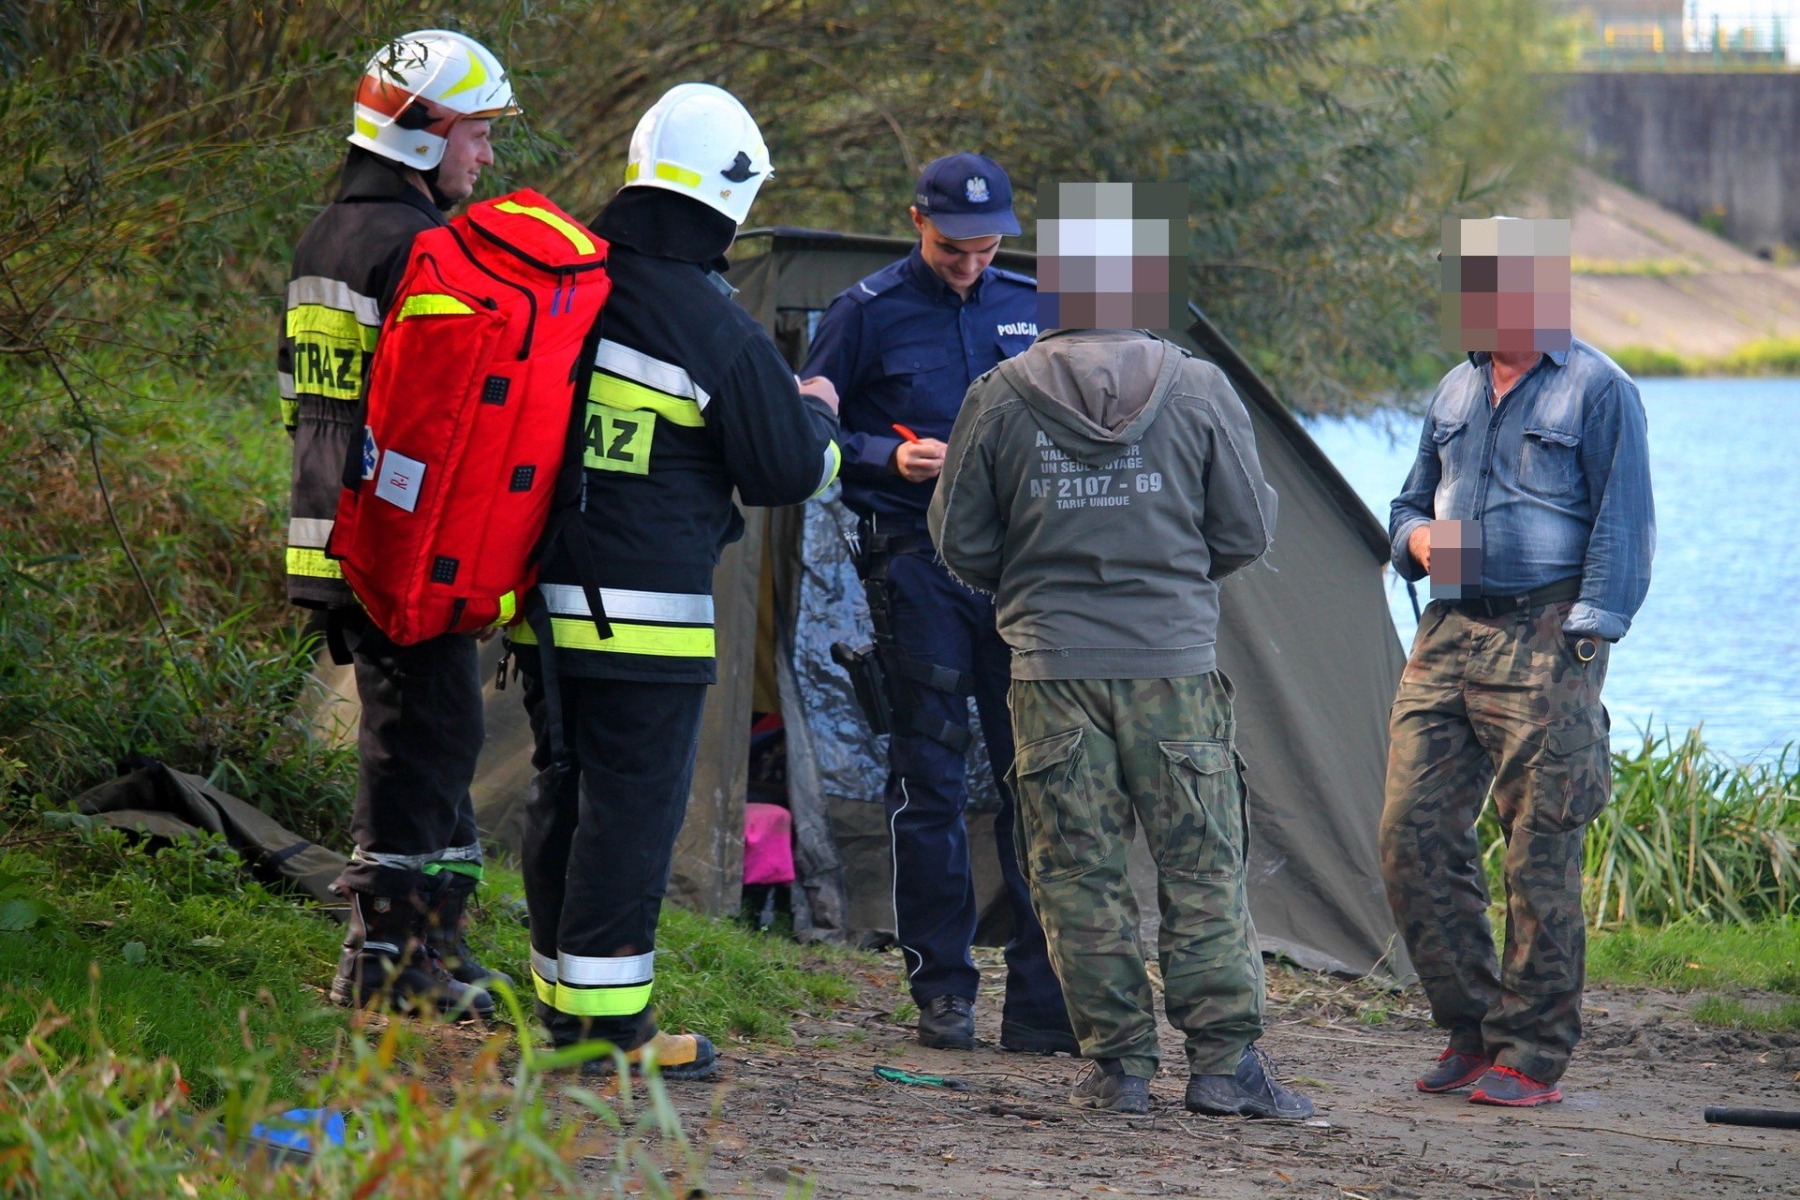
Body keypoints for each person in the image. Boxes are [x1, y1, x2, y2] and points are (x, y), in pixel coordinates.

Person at [928, 210, 1315, 1114]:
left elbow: (959, 541)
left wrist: (1041, 578)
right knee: (1203, 865)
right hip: (1173, 666)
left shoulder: (999, 392)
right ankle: (1224, 1069)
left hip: (1049, 669)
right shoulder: (1201, 389)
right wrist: (1169, 581)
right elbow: (1247, 532)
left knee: (1075, 870)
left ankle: (1118, 1069)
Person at [510, 83, 841, 1080]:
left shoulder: (573, 281)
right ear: (731, 193)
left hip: (541, 598)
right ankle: (610, 1035)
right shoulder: (712, 322)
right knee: (633, 811)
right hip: (647, 617)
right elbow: (787, 469)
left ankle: (562, 1015)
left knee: (561, 794)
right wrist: (816, 412)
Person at [1382, 216, 1655, 1107]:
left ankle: (1531, 1052)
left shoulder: (1598, 388)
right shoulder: (1453, 389)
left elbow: (1625, 527)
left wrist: (1585, 642)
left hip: (1548, 636)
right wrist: (1417, 540)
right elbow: (1406, 505)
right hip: (1449, 628)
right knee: (1411, 839)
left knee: (1539, 853)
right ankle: (1469, 1027)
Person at [279, 29, 517, 1017]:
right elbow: (433, 417)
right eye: (476, 135)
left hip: (333, 528)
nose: (486, 157)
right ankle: (383, 959)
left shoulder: (328, 235)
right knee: (418, 743)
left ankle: (434, 943)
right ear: (422, 133)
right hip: (393, 542)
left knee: (435, 737)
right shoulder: (418, 247)